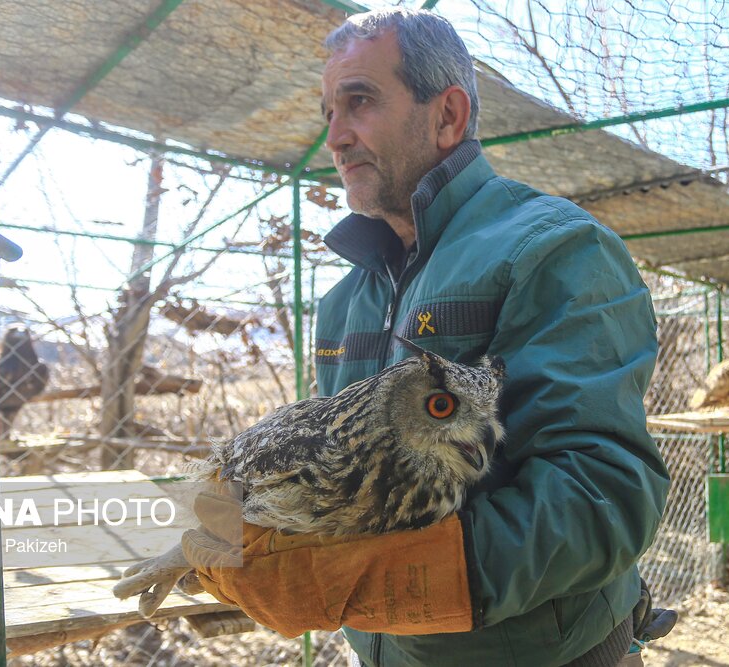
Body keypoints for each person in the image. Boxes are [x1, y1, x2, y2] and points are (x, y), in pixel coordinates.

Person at [184, 9, 670, 666]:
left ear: (447, 116)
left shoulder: (552, 248)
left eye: (359, 101)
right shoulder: (344, 303)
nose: (335, 136)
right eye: (329, 111)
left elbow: (604, 495)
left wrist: (392, 578)